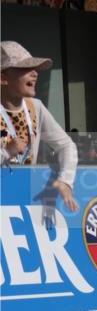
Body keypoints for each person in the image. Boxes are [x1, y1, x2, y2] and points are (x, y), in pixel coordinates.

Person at [0, 41, 78, 212]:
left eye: (35, 68)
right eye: (25, 69)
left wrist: (65, 181)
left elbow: (66, 145)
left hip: (24, 197)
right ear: (3, 78)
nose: (35, 73)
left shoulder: (35, 107)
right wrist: (6, 152)